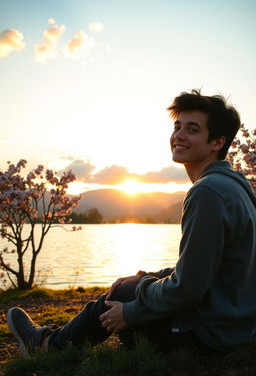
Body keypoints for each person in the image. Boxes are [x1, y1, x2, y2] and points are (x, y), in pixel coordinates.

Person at [7, 89, 256, 358]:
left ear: (217, 142)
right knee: (134, 286)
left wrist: (131, 311)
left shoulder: (207, 192)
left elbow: (188, 288)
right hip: (237, 325)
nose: (179, 135)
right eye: (177, 126)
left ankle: (46, 346)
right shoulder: (236, 187)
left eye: (192, 129)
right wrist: (147, 276)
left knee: (124, 296)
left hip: (212, 335)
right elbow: (207, 266)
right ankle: (54, 339)